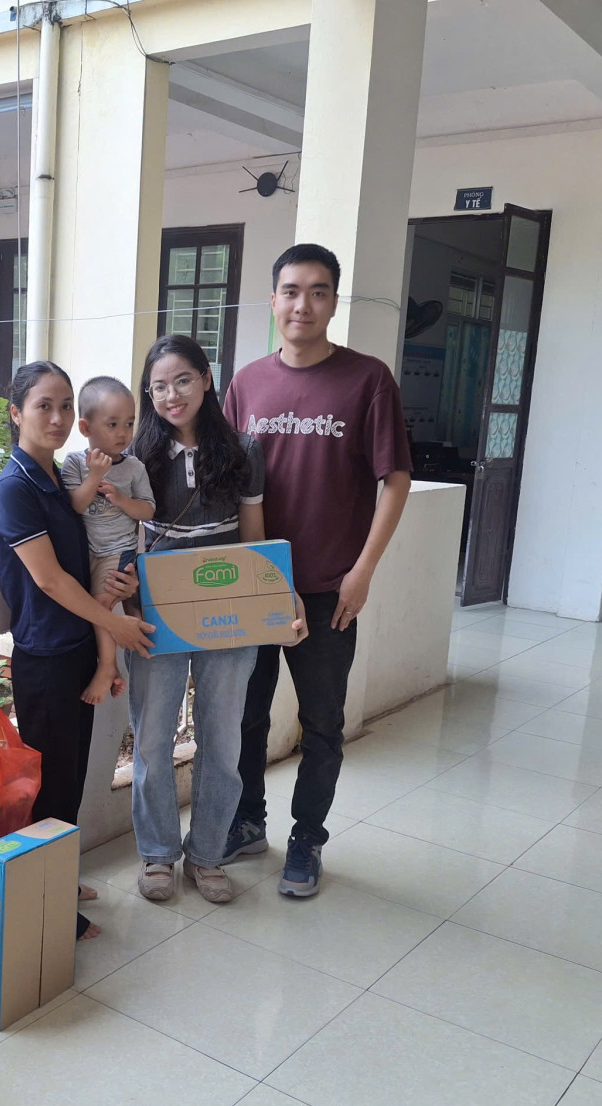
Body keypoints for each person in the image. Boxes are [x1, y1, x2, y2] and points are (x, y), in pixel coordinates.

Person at [222, 243, 413, 897]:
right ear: (273, 300)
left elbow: (395, 479)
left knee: (322, 723)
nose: (303, 304)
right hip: (257, 583)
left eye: (318, 291)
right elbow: (226, 483)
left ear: (333, 302)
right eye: (291, 290)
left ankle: (307, 839)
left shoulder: (367, 379)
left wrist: (363, 571)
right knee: (245, 716)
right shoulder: (246, 383)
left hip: (332, 587)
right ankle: (247, 820)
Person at [126, 335, 305, 905]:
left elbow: (253, 540)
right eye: (158, 386)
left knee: (223, 741)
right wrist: (122, 601)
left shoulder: (244, 451)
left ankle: (206, 854)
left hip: (228, 613)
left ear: (206, 379)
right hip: (155, 612)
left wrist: (279, 596)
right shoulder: (136, 456)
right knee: (152, 742)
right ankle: (158, 853)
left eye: (182, 380)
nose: (171, 395)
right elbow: (120, 535)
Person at [0, 360, 156, 939]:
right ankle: (46, 907)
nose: (57, 417)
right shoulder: (15, 487)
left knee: (72, 777)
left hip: (78, 643)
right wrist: (119, 628)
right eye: (44, 406)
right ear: (17, 413)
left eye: (65, 406)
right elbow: (51, 580)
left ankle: (57, 875)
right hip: (45, 655)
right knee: (49, 784)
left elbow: (86, 561)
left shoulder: (59, 478)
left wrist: (115, 593)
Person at [59, 377, 156, 705]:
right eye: (113, 424)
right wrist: (96, 476)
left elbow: (148, 510)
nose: (123, 433)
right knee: (91, 607)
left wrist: (122, 500)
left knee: (100, 605)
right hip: (86, 552)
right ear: (85, 428)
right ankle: (122, 656)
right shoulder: (74, 463)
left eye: (129, 423)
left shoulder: (134, 467)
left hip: (119, 550)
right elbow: (75, 505)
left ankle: (107, 667)